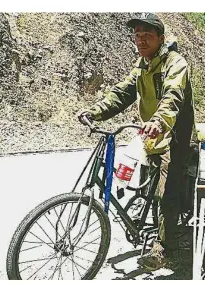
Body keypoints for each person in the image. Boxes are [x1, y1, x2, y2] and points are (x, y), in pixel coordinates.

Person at [77, 13, 195, 270]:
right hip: (152, 136)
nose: (140, 41)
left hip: (175, 138)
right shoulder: (142, 65)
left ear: (160, 39)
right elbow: (122, 93)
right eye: (137, 36)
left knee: (167, 193)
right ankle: (151, 225)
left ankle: (164, 248)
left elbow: (173, 96)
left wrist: (159, 121)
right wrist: (94, 111)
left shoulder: (175, 63)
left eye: (147, 36)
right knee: (145, 188)